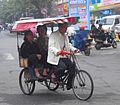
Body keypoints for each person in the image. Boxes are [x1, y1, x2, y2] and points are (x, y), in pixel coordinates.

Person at [47, 20, 79, 90]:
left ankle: (69, 84)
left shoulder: (65, 35)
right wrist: (57, 51)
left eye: (66, 27)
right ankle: (54, 75)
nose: (66, 29)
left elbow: (68, 45)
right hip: (56, 57)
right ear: (60, 27)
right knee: (62, 67)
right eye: (64, 27)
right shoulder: (53, 35)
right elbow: (51, 46)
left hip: (64, 56)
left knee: (72, 67)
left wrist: (74, 49)